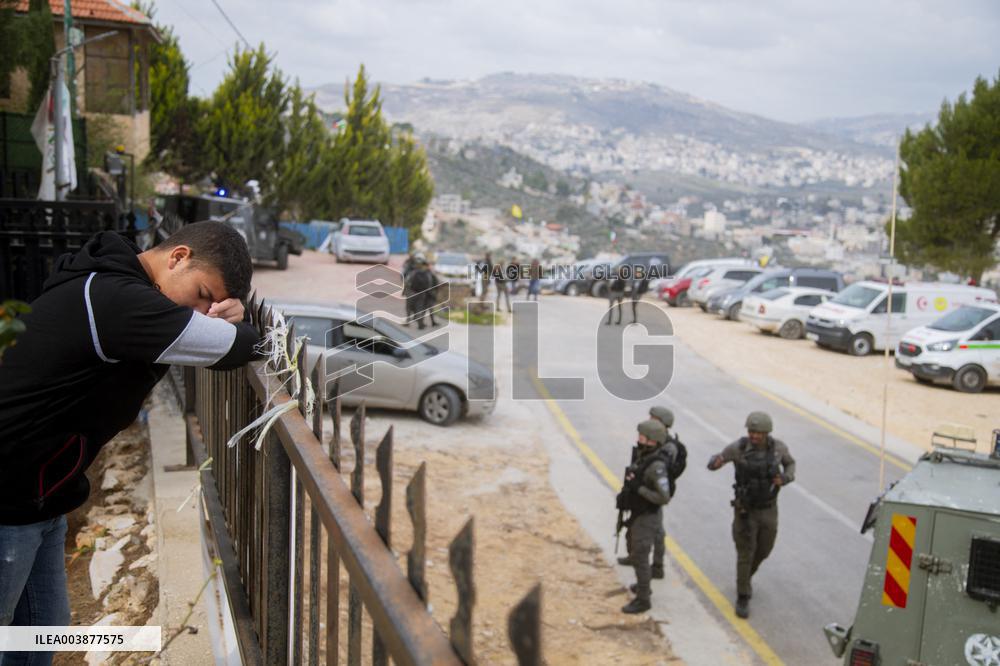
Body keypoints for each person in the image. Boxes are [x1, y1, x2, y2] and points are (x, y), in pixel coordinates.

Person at [0, 222, 260, 665]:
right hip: (8, 501)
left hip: (42, 500)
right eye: (202, 294)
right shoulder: (115, 300)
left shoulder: (118, 289)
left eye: (211, 304)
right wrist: (242, 330)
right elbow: (236, 348)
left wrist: (230, 322)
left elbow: (214, 347)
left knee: (36, 645)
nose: (202, 311)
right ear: (178, 257)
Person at [707, 411, 796, 619]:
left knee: (764, 549)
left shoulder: (778, 449)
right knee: (745, 551)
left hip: (768, 508)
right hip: (745, 510)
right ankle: (743, 594)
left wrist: (785, 478)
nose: (755, 436)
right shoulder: (738, 448)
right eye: (752, 432)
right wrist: (716, 462)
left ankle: (745, 577)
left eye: (759, 433)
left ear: (767, 433)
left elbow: (790, 464)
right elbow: (717, 461)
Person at [616, 420, 675, 614]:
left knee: (640, 557)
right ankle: (644, 586)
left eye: (642, 436)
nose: (638, 439)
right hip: (639, 513)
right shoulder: (644, 456)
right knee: (636, 552)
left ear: (652, 440)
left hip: (647, 516)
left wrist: (639, 489)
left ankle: (643, 598)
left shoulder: (656, 466)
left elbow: (663, 497)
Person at [406, 257, 440, 330]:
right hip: (425, 294)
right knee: (422, 309)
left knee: (417, 309)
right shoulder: (428, 273)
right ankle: (422, 323)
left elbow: (408, 282)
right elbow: (434, 283)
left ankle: (417, 322)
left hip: (416, 293)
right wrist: (433, 294)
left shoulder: (414, 272)